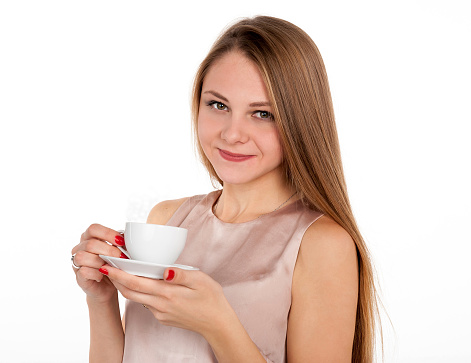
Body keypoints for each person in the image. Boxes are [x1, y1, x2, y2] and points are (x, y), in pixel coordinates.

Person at [71, 15, 380, 363]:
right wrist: (100, 301)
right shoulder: (167, 218)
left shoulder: (322, 243)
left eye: (262, 113)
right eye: (218, 105)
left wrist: (218, 324)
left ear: (300, 121)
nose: (232, 134)